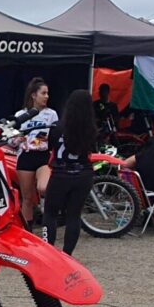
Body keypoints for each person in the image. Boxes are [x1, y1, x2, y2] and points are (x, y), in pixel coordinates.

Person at [40, 89, 96, 255]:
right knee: (74, 215)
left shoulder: (57, 126)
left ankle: (48, 250)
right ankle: (67, 254)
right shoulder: (91, 129)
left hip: (60, 173)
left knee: (50, 213)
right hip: (83, 173)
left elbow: (50, 147)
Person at [13, 78, 58, 228]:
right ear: (33, 95)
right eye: (43, 93)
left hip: (42, 156)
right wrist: (17, 139)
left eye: (48, 93)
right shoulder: (21, 114)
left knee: (43, 188)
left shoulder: (51, 114)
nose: (47, 96)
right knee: (27, 198)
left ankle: (50, 218)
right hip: (25, 157)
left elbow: (55, 136)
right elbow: (11, 141)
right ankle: (28, 230)